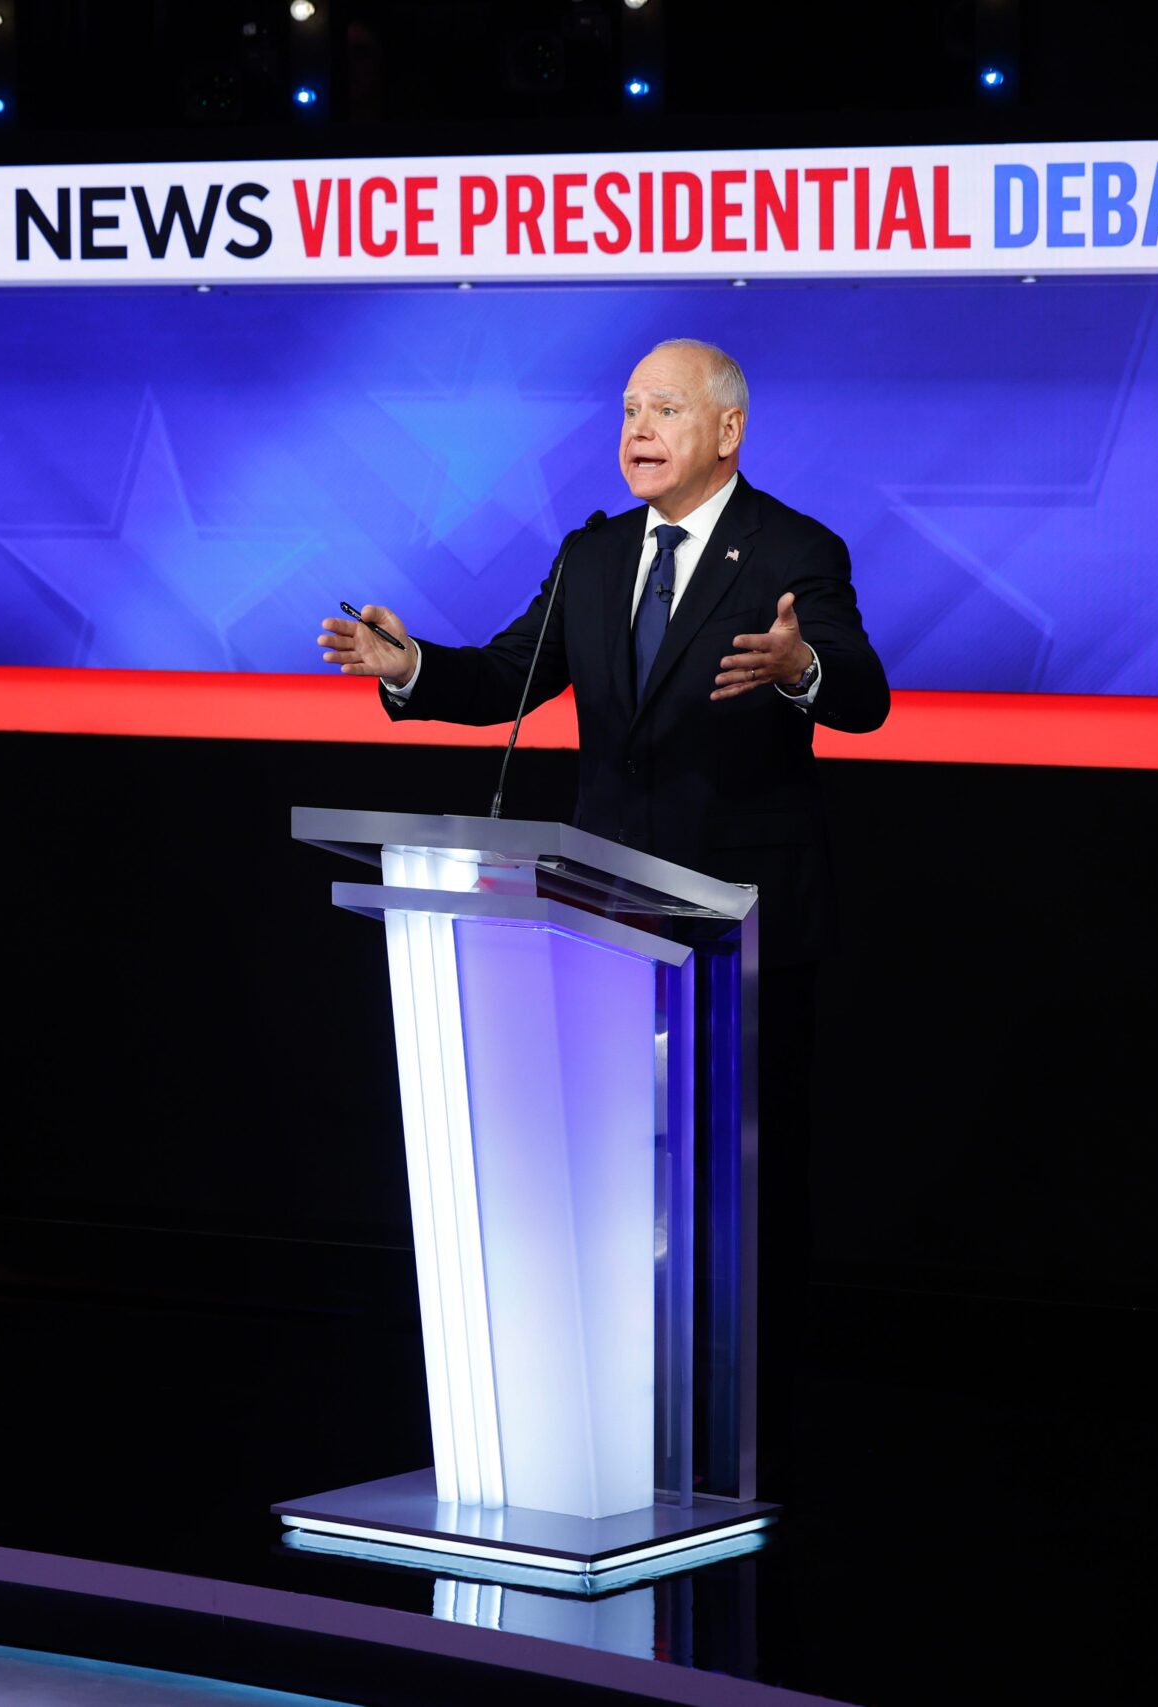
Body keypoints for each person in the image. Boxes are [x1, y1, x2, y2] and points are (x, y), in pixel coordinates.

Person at [316, 337, 890, 1491]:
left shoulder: (791, 548)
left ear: (725, 430)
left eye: (664, 408)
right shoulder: (592, 552)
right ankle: (617, 1422)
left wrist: (796, 669)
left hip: (739, 932)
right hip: (601, 925)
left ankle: (750, 1441)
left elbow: (862, 693)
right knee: (620, 1183)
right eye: (628, 407)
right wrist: (412, 663)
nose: (637, 427)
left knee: (739, 1199)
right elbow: (505, 679)